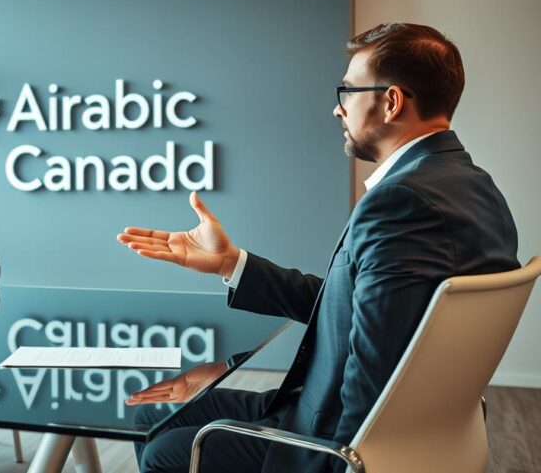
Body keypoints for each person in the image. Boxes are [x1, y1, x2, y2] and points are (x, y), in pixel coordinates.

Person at [117, 23, 519, 473]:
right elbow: (361, 311)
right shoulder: (476, 188)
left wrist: (332, 462)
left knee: (164, 452)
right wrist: (230, 264)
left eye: (347, 91)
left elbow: (369, 383)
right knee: (153, 413)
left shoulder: (401, 202)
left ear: (390, 102)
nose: (337, 108)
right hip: (399, 424)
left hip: (336, 443)